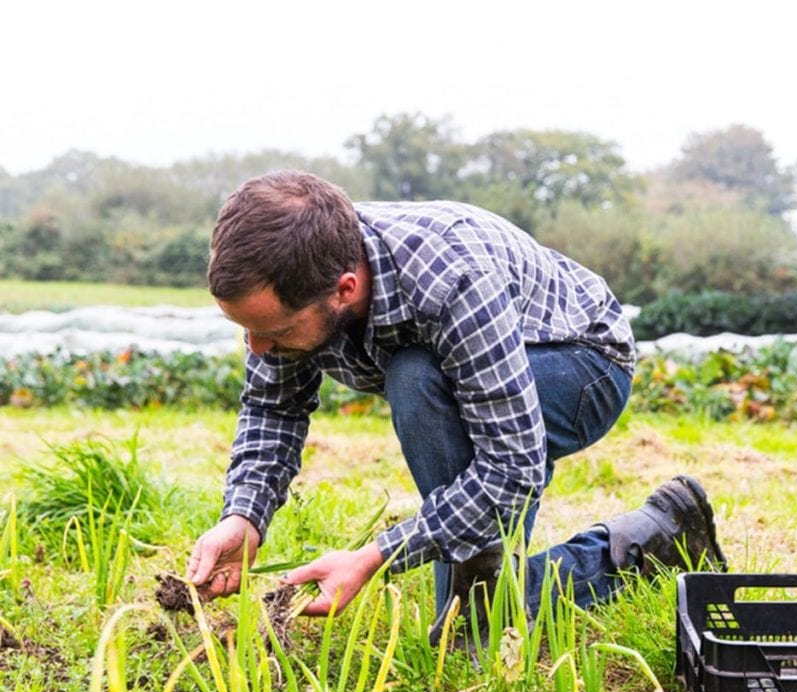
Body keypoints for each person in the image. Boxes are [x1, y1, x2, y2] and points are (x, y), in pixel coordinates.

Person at [185, 170, 726, 639]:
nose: (256, 348)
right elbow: (274, 409)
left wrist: (376, 557)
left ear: (344, 289)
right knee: (475, 606)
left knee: (415, 376)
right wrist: (245, 517)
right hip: (473, 367)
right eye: (245, 330)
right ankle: (657, 535)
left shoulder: (450, 278)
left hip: (581, 362)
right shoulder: (295, 273)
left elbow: (511, 469)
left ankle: (512, 592)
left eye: (273, 330)